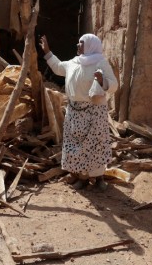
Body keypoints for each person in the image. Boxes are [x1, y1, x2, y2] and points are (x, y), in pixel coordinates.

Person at [39, 33, 118, 190]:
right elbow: (58, 67)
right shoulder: (73, 63)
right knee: (76, 145)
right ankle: (81, 177)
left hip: (94, 112)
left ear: (90, 45)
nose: (77, 45)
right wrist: (47, 52)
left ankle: (98, 178)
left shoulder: (100, 63)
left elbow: (114, 84)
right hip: (74, 112)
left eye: (81, 43)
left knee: (95, 145)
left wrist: (103, 81)